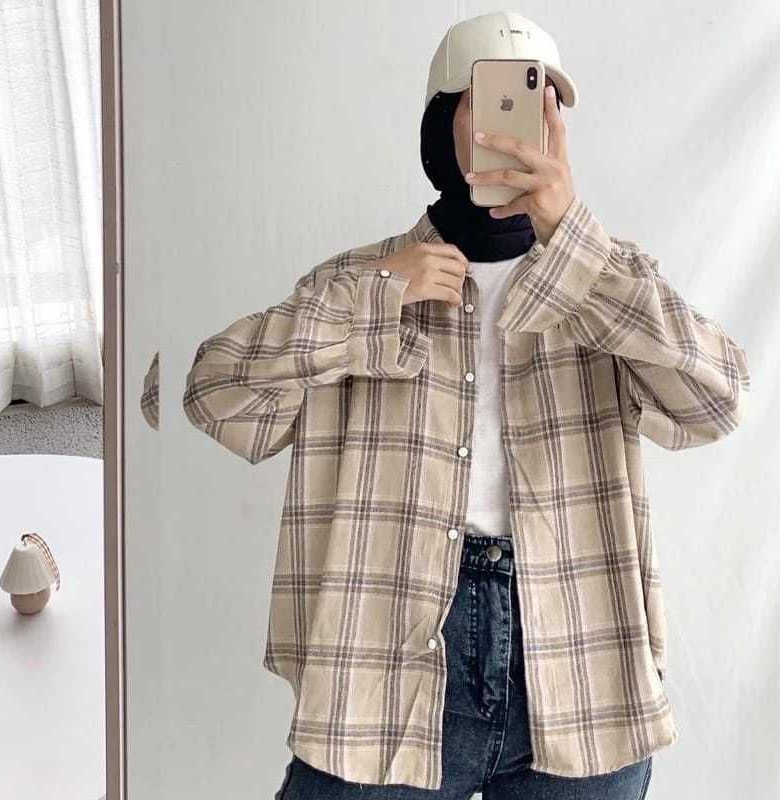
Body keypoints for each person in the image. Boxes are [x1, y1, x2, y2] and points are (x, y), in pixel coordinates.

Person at [181, 10, 750, 800]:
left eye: (538, 102)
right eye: (488, 101)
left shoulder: (609, 284)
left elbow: (718, 403)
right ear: (438, 125)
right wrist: (375, 299)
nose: (512, 126)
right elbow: (214, 396)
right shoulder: (356, 284)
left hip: (582, 663)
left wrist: (577, 244)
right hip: (383, 664)